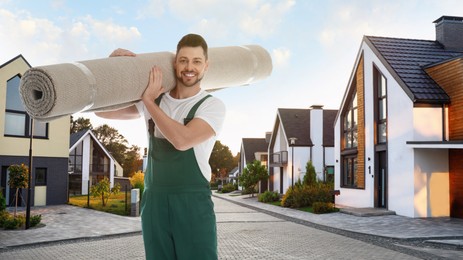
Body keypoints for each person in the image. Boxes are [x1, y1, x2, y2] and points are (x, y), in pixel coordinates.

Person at [96, 34, 226, 260]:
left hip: (192, 204)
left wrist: (147, 102)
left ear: (206, 66)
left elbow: (182, 140)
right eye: (184, 60)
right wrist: (112, 67)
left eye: (196, 61)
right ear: (175, 63)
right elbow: (101, 111)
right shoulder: (155, 99)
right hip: (154, 202)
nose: (189, 67)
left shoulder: (211, 106)